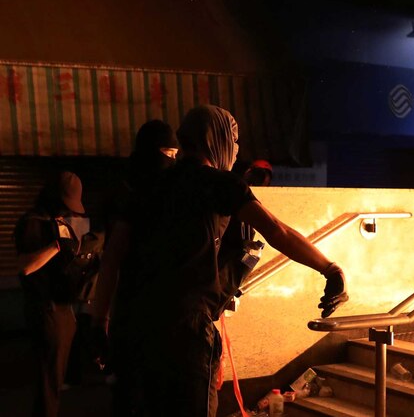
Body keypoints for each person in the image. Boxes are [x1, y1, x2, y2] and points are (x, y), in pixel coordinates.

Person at [94, 105, 348, 417]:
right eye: (235, 139)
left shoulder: (147, 186)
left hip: (134, 327)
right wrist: (329, 268)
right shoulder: (219, 184)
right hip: (184, 331)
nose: (237, 148)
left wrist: (98, 322)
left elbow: (112, 258)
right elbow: (277, 231)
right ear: (218, 139)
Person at [96, 119, 179, 416]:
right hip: (133, 318)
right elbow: (112, 260)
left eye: (175, 155)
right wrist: (100, 320)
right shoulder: (129, 194)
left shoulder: (166, 191)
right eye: (167, 154)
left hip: (153, 319)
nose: (171, 161)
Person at [16, 170, 95, 417]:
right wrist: (58, 245)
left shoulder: (65, 220)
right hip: (45, 310)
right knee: (48, 384)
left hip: (65, 309)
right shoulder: (34, 222)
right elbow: (26, 266)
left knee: (55, 382)